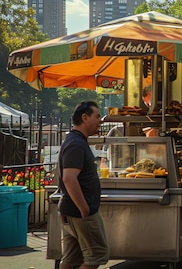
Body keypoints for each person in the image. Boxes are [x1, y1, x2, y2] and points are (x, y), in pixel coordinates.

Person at [57, 101, 109, 269]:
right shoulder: (76, 144)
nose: (100, 120)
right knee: (96, 255)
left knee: (72, 259)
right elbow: (69, 178)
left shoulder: (76, 141)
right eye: (97, 116)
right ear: (85, 118)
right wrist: (84, 208)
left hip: (72, 210)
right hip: (80, 212)